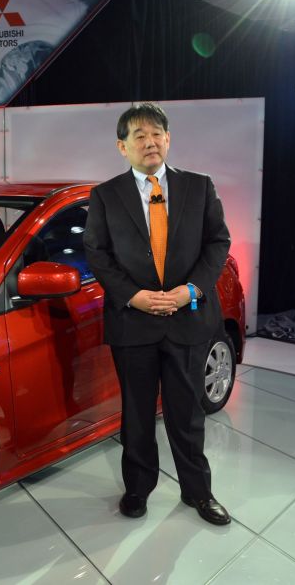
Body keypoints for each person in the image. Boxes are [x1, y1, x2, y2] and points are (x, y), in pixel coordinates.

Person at [83, 102, 232, 525]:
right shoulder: (106, 195)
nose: (149, 142)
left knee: (188, 413)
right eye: (138, 136)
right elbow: (97, 253)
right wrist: (133, 296)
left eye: (156, 134)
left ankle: (198, 493)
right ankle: (137, 489)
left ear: (168, 139)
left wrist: (191, 290)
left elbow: (217, 243)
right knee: (137, 413)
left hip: (188, 317)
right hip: (134, 321)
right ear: (122, 146)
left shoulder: (199, 187)